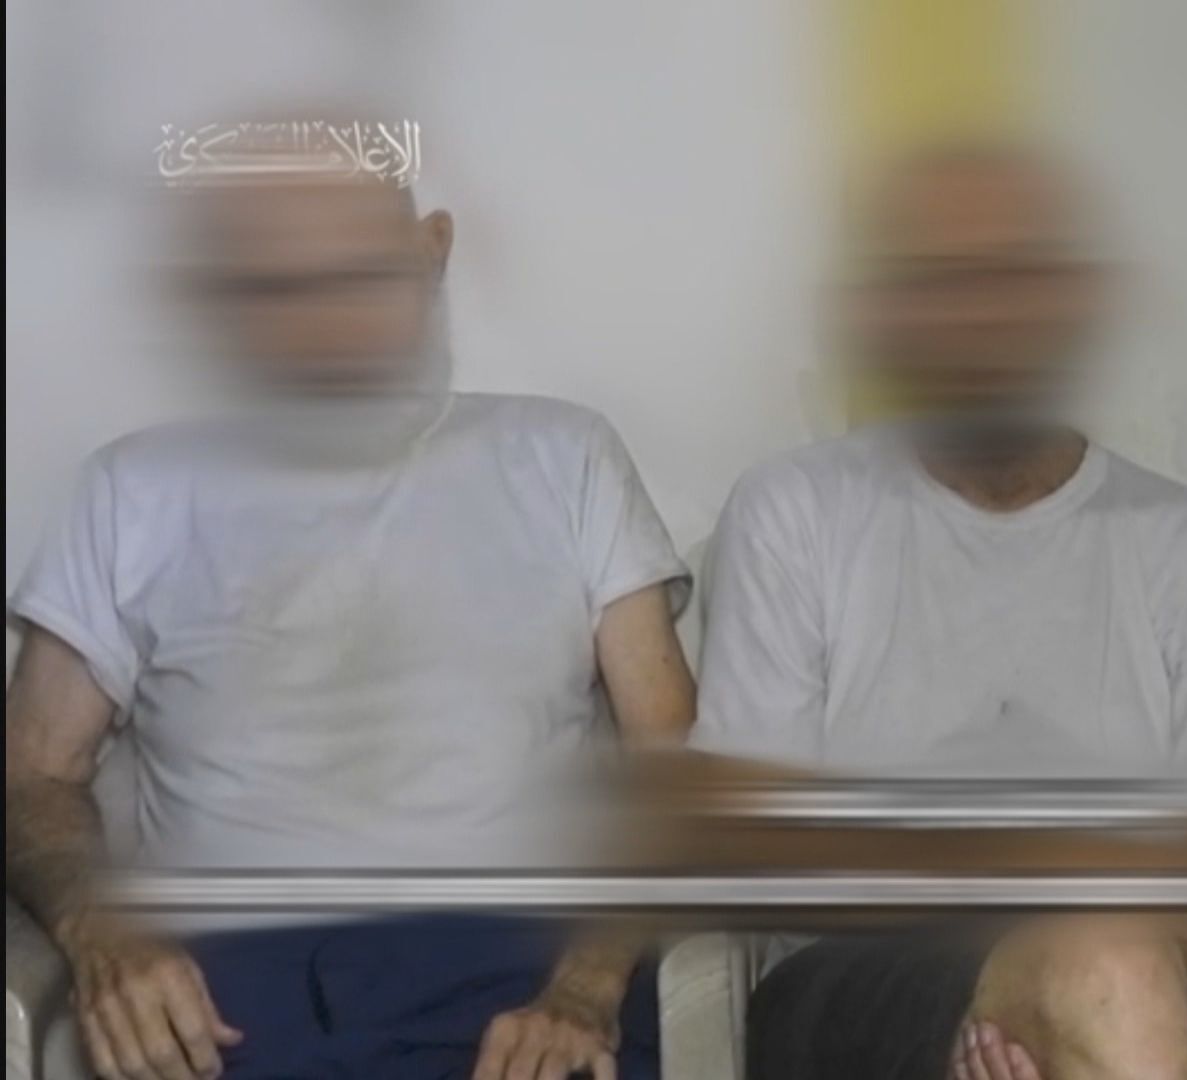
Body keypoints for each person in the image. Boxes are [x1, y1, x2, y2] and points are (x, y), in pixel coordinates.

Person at [4, 155, 695, 1080]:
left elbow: (673, 763)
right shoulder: (132, 489)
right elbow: (33, 771)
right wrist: (103, 937)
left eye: (363, 276)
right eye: (282, 288)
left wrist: (586, 989)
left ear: (432, 251)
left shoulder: (563, 455)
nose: (327, 325)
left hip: (516, 970)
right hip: (228, 994)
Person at [690, 143, 1187, 1080]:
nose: (982, 321)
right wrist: (1027, 963)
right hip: (863, 976)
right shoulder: (793, 513)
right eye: (945, 285)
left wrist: (1082, 976)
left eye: (1014, 282)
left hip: (1175, 970)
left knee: (1144, 982)